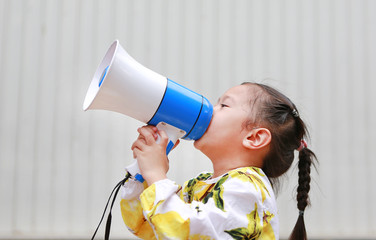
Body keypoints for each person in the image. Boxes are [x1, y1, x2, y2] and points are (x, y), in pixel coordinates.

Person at [120, 82, 317, 240]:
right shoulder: (200, 184)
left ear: (254, 138)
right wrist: (143, 176)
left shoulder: (248, 189)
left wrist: (156, 175)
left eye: (223, 105)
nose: (211, 110)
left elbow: (183, 232)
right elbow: (146, 226)